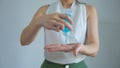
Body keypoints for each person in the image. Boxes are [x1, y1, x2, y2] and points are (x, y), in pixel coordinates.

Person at [20, 0, 99, 68]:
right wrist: (39, 22)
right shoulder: (44, 10)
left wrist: (80, 47)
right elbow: (23, 40)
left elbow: (94, 50)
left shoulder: (89, 10)